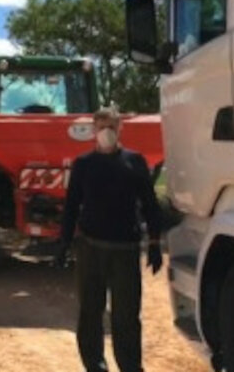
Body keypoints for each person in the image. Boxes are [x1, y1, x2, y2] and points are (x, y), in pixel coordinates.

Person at [56, 107, 163, 372]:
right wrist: (63, 243)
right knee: (90, 313)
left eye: (112, 126)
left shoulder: (135, 161)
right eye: (102, 126)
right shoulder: (83, 164)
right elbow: (71, 206)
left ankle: (130, 366)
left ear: (121, 128)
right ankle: (94, 365)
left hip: (125, 250)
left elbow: (150, 204)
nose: (107, 132)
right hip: (90, 249)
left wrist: (155, 243)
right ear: (93, 130)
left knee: (126, 317)